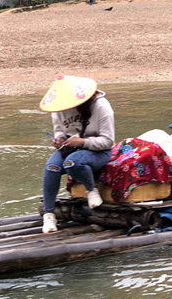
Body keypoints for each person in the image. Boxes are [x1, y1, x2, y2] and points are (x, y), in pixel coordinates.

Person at [38, 75, 115, 233]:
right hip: (70, 147)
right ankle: (49, 214)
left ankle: (91, 189)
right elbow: (60, 130)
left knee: (72, 162)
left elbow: (108, 142)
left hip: (98, 151)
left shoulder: (101, 106)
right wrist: (59, 139)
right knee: (51, 167)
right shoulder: (58, 108)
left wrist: (82, 143)